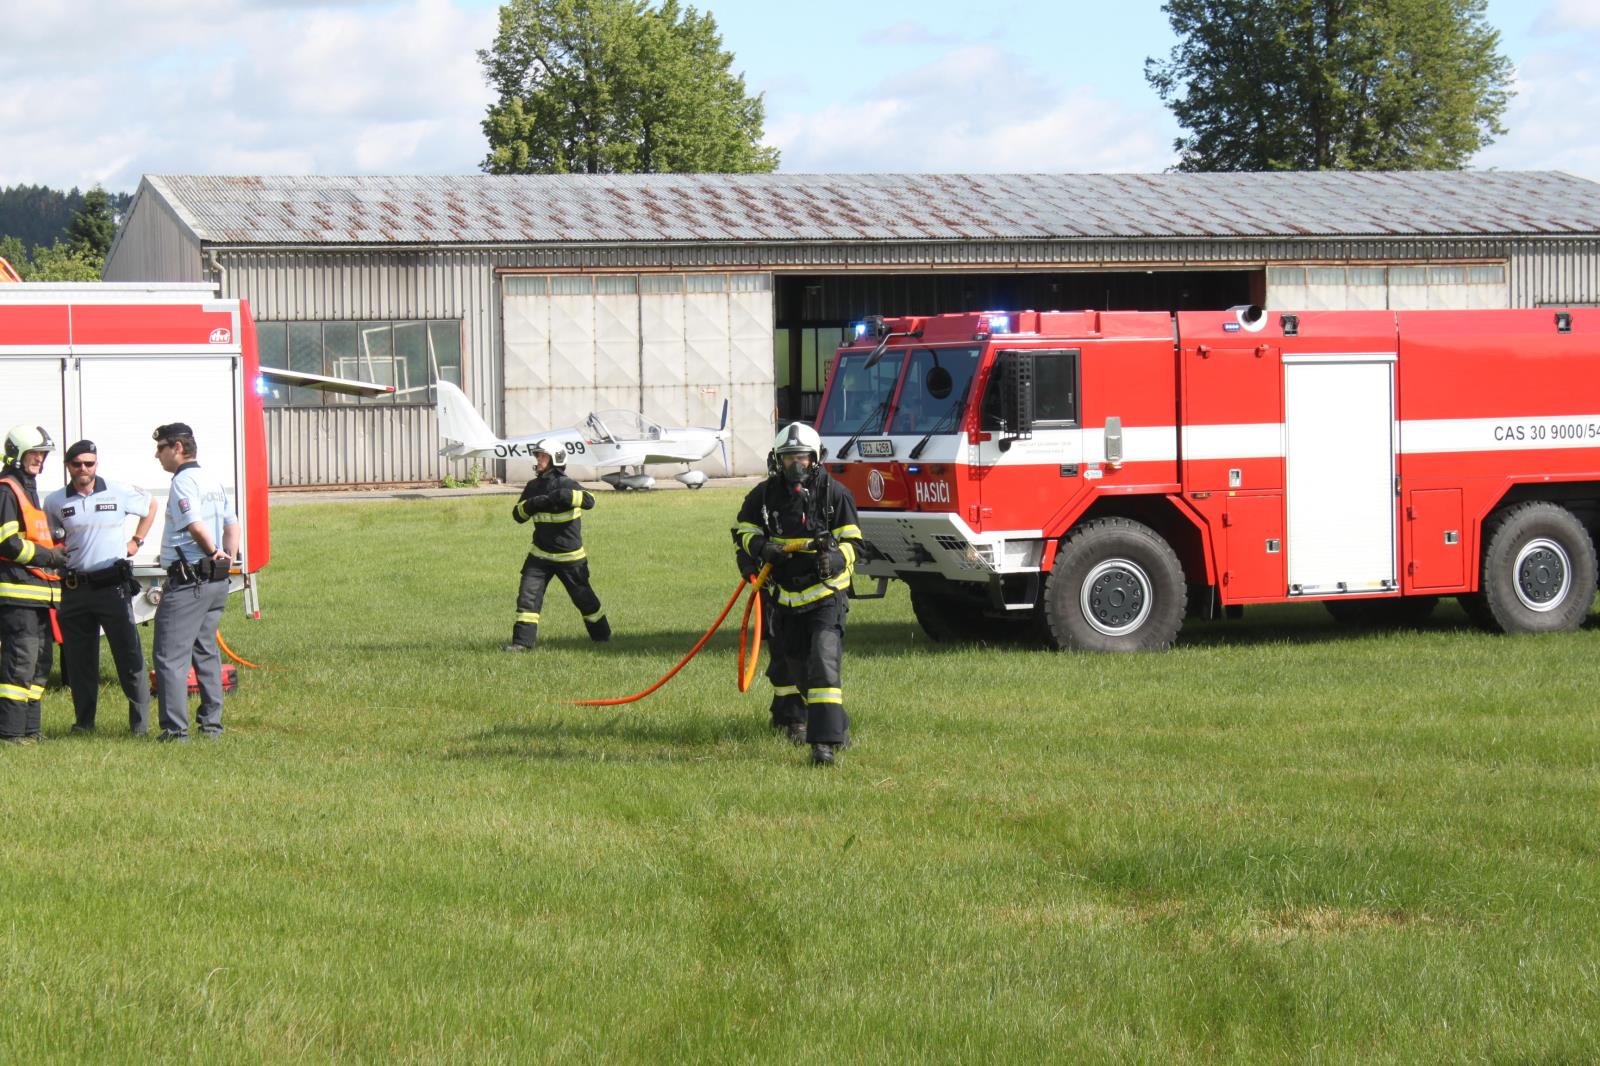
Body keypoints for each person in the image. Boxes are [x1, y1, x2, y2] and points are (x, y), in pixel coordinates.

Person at [732, 422, 864, 765]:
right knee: (797, 670)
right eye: (789, 457)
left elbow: (854, 542)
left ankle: (823, 745)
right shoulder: (763, 495)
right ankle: (834, 726)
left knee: (823, 663)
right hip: (784, 600)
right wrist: (762, 548)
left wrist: (835, 559)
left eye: (802, 457)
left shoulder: (835, 495)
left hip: (825, 596)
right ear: (777, 459)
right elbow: (743, 531)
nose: (796, 464)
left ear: (815, 458)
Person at [44, 440, 157, 735]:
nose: (84, 468)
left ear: (97, 464)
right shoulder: (55, 501)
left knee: (129, 656)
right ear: (68, 466)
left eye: (89, 463)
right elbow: (51, 538)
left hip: (112, 588)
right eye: (77, 464)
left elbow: (151, 505)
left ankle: (140, 727)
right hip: (74, 589)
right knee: (80, 663)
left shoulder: (118, 491)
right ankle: (84, 724)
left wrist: (137, 541)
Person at [151, 423, 239, 742]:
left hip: (189, 582)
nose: (157, 455)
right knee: (205, 652)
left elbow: (195, 526)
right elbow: (232, 524)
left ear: (177, 447)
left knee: (169, 657)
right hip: (215, 582)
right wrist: (228, 559)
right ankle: (212, 726)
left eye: (161, 448)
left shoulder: (183, 482)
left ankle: (175, 731)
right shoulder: (211, 480)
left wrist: (213, 552)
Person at [503, 440, 610, 651]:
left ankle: (603, 637)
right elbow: (518, 515)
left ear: (556, 458)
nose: (538, 460)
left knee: (584, 600)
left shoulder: (567, 484)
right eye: (538, 456)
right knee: (527, 598)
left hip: (570, 558)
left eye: (543, 456)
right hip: (539, 555)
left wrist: (566, 496)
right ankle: (521, 644)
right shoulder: (533, 487)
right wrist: (532, 504)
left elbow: (590, 501)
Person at [0, 425, 68, 745]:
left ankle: (31, 730)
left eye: (42, 455)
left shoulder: (28, 489)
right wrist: (49, 556)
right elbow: (8, 543)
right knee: (20, 662)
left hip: (39, 594)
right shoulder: (6, 490)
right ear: (17, 454)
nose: (39, 459)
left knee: (41, 663)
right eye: (34, 454)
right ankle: (10, 732)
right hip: (17, 594)